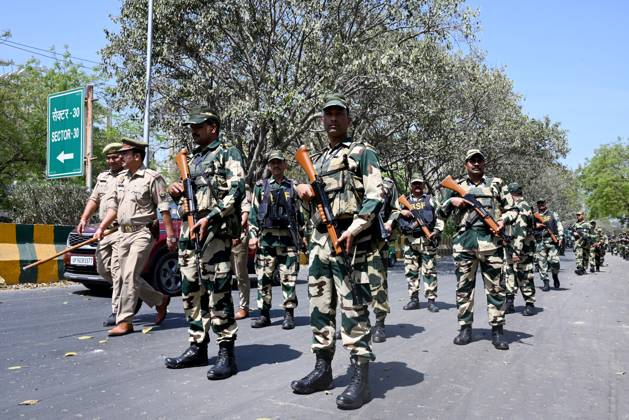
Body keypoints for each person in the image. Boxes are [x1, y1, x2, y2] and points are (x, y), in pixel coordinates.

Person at [291, 93, 384, 410]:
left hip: (350, 241)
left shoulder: (361, 152)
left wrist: (354, 229)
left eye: (338, 114)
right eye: (327, 114)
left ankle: (361, 379)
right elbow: (312, 202)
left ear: (348, 119)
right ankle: (322, 369)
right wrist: (301, 190)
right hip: (321, 242)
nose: (333, 119)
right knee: (319, 306)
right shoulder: (316, 160)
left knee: (354, 307)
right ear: (322, 120)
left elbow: (376, 195)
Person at [164, 107, 245, 381]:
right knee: (190, 292)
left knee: (219, 292)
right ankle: (197, 347)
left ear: (213, 127)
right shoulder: (192, 159)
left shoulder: (227, 153)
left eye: (198, 126)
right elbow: (190, 198)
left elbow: (237, 190)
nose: (193, 131)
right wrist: (176, 193)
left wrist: (210, 218)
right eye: (192, 127)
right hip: (190, 232)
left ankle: (226, 354)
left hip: (215, 233)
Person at [437, 149, 517, 350]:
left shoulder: (497, 184)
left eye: (479, 160)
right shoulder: (456, 185)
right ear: (466, 164)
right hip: (464, 244)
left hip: (492, 244)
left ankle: (497, 330)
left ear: (484, 163)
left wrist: (502, 220)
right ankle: (465, 328)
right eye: (471, 161)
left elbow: (513, 210)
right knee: (464, 289)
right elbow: (439, 212)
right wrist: (451, 202)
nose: (476, 164)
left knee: (496, 288)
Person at [94, 138, 175, 336]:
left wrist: (171, 234)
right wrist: (102, 227)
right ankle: (159, 300)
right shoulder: (122, 179)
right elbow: (113, 207)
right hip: (122, 233)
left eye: (125, 154)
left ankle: (125, 321)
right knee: (121, 277)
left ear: (137, 156)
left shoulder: (152, 177)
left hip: (142, 233)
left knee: (129, 275)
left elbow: (164, 207)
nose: (120, 157)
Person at [248, 150, 303, 330]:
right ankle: (264, 315)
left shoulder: (293, 186)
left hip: (288, 241)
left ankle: (288, 314)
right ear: (269, 166)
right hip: (266, 242)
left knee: (289, 279)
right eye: (273, 163)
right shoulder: (261, 187)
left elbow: (301, 215)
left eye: (279, 162)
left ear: (285, 165)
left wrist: (303, 238)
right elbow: (254, 214)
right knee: (264, 279)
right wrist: (252, 236)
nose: (276, 166)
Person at [77, 142, 124, 327]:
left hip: (119, 230)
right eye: (109, 158)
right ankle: (152, 296)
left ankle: (117, 311)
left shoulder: (128, 177)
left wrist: (103, 227)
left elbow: (118, 206)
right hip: (104, 232)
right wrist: (84, 218)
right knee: (103, 268)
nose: (111, 161)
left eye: (115, 157)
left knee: (117, 271)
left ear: (123, 157)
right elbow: (94, 199)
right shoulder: (103, 177)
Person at [398, 176, 444, 313]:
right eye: (414, 184)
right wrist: (401, 211)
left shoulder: (430, 199)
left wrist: (436, 231)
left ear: (423, 185)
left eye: (419, 183)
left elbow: (440, 216)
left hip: (427, 241)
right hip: (410, 242)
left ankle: (431, 301)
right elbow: (394, 215)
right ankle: (414, 299)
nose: (417, 186)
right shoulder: (404, 201)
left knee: (429, 271)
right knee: (411, 271)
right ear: (411, 186)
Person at [369, 176, 400, 342]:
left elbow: (396, 209)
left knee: (378, 282)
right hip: (352, 239)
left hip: (377, 242)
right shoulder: (350, 178)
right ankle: (355, 323)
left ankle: (379, 323)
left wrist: (389, 222)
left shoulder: (388, 183)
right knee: (351, 284)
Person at [504, 183, 536, 316]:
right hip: (511, 247)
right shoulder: (513, 207)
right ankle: (510, 303)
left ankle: (530, 304)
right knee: (509, 275)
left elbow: (521, 231)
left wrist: (517, 251)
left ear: (512, 194)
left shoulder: (522, 207)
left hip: (522, 249)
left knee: (524, 276)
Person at [534, 199, 564, 290]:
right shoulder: (534, 216)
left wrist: (561, 236)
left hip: (551, 241)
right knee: (541, 263)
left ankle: (555, 276)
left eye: (542, 203)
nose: (541, 205)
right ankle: (545, 282)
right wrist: (536, 226)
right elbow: (529, 227)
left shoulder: (552, 214)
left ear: (545, 204)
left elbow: (559, 224)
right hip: (539, 242)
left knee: (554, 261)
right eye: (539, 203)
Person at [232, 186, 252, 320]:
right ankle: (222, 306)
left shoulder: (242, 186)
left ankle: (244, 306)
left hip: (238, 234)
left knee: (240, 273)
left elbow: (246, 210)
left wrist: (237, 231)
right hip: (220, 235)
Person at [572, 211, 592, 275]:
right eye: (577, 215)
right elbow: (571, 231)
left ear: (583, 215)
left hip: (586, 242)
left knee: (585, 257)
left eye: (579, 215)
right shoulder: (575, 224)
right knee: (579, 255)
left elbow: (591, 234)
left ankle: (584, 269)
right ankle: (579, 268)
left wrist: (584, 235)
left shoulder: (587, 224)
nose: (578, 216)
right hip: (578, 242)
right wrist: (573, 233)